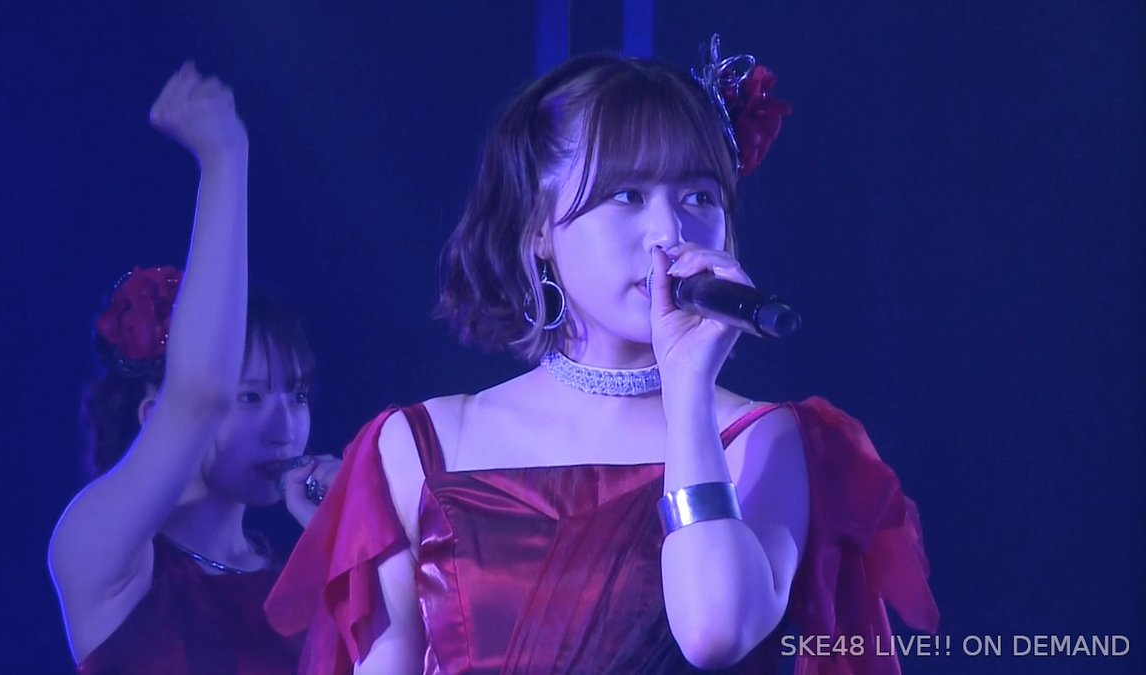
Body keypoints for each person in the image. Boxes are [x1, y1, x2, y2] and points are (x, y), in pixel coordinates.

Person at [266, 37, 939, 674]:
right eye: (628, 195)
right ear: (539, 228)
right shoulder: (421, 445)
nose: (668, 232)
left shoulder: (760, 440)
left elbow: (715, 631)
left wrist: (688, 390)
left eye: (699, 196)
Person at [48, 63, 339, 673]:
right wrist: (224, 159)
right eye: (250, 397)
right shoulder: (100, 554)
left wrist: (344, 547)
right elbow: (200, 393)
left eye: (297, 394)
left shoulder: (303, 576)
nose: (285, 427)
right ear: (154, 412)